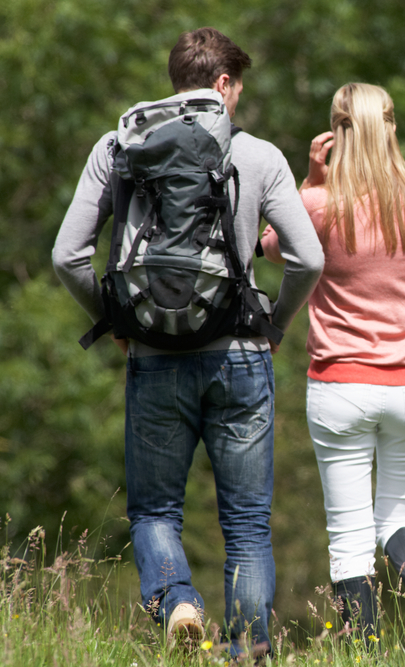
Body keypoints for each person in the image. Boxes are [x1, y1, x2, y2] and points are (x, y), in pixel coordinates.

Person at [52, 27, 325, 657]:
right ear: (224, 84)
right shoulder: (256, 155)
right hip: (241, 359)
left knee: (154, 514)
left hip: (153, 358)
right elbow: (307, 260)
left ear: (177, 78)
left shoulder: (117, 148)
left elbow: (68, 258)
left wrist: (120, 321)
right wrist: (275, 324)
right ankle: (249, 653)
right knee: (249, 527)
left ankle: (177, 601)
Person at [260, 83, 405, 642]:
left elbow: (270, 246)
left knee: (349, 535)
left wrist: (310, 183)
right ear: (393, 127)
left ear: (335, 134)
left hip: (340, 388)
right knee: (402, 518)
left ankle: (364, 651)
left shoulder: (317, 205)